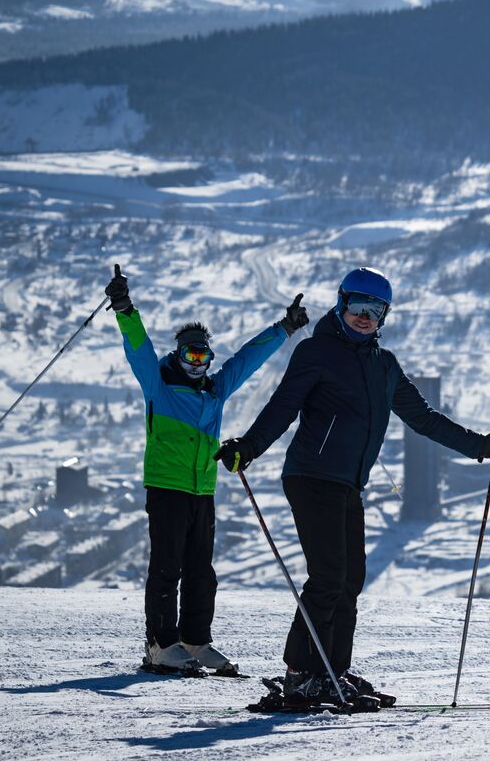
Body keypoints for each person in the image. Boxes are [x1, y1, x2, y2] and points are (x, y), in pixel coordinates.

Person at [216, 266, 490, 705]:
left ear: (384, 316)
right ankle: (301, 674)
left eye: (374, 310)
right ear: (341, 306)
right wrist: (248, 446)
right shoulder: (316, 352)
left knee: (350, 579)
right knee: (327, 577)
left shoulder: (385, 365)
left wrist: (481, 446)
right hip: (310, 476)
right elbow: (282, 407)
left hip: (347, 484)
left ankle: (333, 671)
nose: (364, 316)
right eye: (357, 306)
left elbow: (424, 419)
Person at [106, 263, 307, 675]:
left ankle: (196, 641)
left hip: (203, 489)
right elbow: (138, 347)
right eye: (190, 355)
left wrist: (285, 328)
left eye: (203, 356)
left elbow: (247, 360)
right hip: (167, 487)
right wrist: (125, 307)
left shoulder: (216, 390)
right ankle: (161, 644)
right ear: (178, 356)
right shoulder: (158, 384)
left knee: (202, 571)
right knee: (167, 567)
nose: (197, 362)